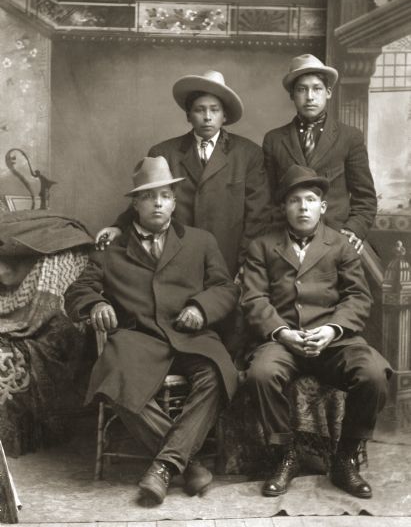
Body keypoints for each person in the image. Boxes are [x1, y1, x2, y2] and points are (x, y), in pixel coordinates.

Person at [65, 156, 239, 505]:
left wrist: (200, 307)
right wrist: (96, 304)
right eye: (148, 196)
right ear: (135, 204)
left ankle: (163, 466)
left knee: (217, 373)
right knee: (113, 375)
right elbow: (77, 291)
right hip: (138, 339)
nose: (158, 203)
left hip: (191, 335)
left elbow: (225, 288)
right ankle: (185, 465)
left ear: (175, 201)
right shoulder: (111, 251)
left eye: (164, 196)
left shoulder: (200, 241)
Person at [241, 164, 391, 499]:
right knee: (261, 374)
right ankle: (285, 455)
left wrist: (331, 329)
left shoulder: (340, 245)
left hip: (333, 341)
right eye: (295, 200)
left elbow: (357, 297)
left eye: (311, 199)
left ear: (323, 206)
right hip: (283, 341)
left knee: (374, 373)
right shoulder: (263, 246)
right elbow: (253, 297)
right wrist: (282, 333)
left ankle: (345, 457)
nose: (303, 207)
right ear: (284, 207)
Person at [96, 69, 271, 279]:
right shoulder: (163, 153)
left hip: (228, 259)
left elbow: (258, 216)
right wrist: (118, 227)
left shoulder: (248, 153)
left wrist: (247, 262)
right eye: (199, 110)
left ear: (224, 115)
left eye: (214, 110)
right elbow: (147, 200)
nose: (207, 117)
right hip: (175, 258)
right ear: (188, 115)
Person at [263, 54, 377, 254]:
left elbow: (365, 198)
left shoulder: (350, 137)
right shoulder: (274, 140)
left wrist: (353, 231)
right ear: (292, 94)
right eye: (301, 89)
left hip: (337, 239)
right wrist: (279, 235)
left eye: (317, 89)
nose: (309, 97)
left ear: (329, 92)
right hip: (287, 241)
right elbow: (268, 198)